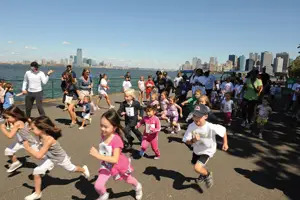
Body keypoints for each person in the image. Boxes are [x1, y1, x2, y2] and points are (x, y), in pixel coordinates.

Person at [23, 116, 90, 200]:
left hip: (60, 158)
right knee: (36, 171)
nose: (30, 130)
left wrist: (28, 148)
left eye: (32, 128)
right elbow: (29, 127)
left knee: (71, 169)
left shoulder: (48, 140)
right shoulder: (39, 135)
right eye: (31, 128)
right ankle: (37, 193)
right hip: (50, 158)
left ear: (42, 129)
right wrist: (29, 123)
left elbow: (39, 156)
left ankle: (83, 169)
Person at [89, 109, 142, 200]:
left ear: (114, 128)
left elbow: (115, 159)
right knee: (98, 185)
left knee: (128, 179)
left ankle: (138, 187)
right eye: (101, 125)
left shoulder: (116, 140)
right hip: (106, 164)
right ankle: (104, 194)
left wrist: (98, 155)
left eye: (105, 127)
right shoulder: (103, 134)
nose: (102, 129)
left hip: (118, 165)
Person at [182, 105, 228, 189]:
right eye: (194, 115)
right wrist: (193, 140)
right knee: (195, 164)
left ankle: (207, 174)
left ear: (206, 116)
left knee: (197, 168)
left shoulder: (210, 127)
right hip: (197, 150)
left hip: (208, 150)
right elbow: (186, 140)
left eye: (199, 116)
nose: (196, 118)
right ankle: (203, 173)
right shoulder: (191, 126)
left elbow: (223, 130)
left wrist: (225, 143)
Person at [0, 106, 39, 173]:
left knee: (38, 156)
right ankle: (16, 163)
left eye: (7, 118)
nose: (6, 120)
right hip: (20, 142)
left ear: (15, 116)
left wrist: (2, 128)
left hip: (29, 142)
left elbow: (10, 136)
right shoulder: (18, 121)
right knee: (8, 151)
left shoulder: (18, 123)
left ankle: (46, 164)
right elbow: (29, 122)